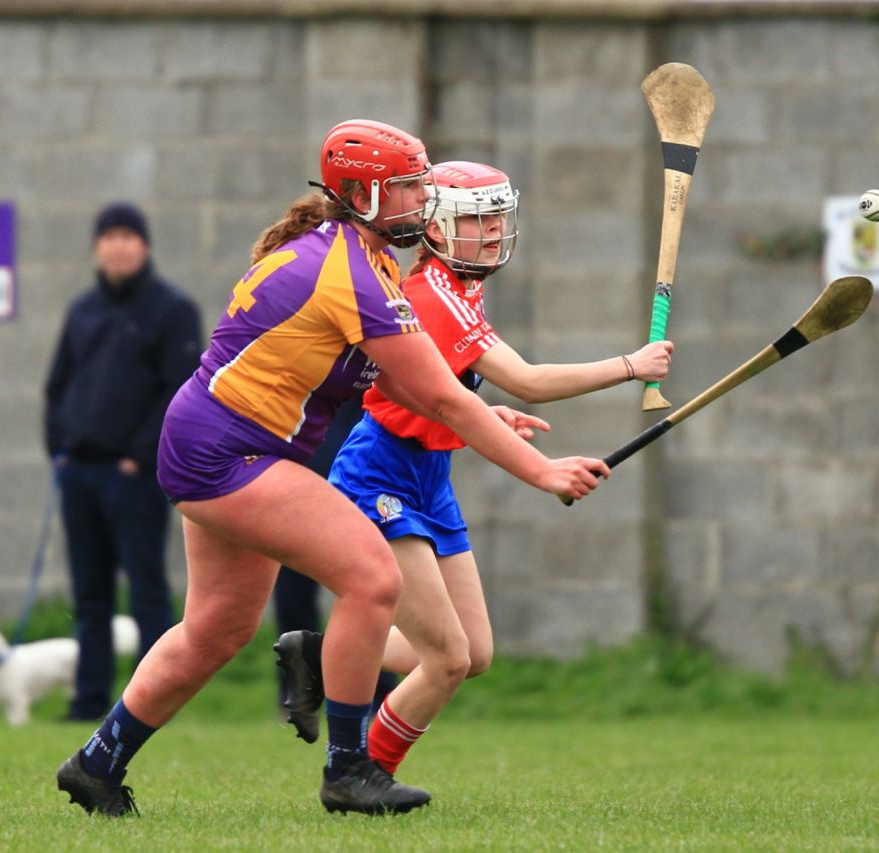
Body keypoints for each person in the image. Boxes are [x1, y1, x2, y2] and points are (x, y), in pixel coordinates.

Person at [54, 121, 609, 818]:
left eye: (420, 184)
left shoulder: (356, 256)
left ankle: (97, 764)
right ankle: (349, 769)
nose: (421, 201)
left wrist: (487, 418)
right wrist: (542, 471)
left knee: (217, 629)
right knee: (371, 578)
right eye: (406, 188)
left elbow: (413, 384)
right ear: (362, 194)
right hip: (230, 451)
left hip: (210, 440)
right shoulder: (354, 274)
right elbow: (438, 393)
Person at [274, 160, 672, 784]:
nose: (492, 231)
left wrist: (486, 415)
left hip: (430, 474)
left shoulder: (463, 288)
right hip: (381, 472)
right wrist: (630, 364)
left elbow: (440, 391)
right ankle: (361, 774)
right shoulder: (433, 292)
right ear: (434, 227)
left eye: (498, 218)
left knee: (473, 654)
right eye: (476, 220)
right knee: (447, 658)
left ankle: (322, 661)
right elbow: (530, 382)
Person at [43, 202, 202, 722]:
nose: (117, 245)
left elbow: (180, 392)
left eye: (127, 236)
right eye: (108, 236)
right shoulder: (82, 310)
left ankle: (148, 702)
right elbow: (58, 386)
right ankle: (89, 700)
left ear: (145, 245)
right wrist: (60, 450)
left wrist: (139, 456)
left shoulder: (171, 309)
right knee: (89, 595)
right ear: (97, 247)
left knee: (146, 589)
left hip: (133, 476)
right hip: (80, 473)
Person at [271, 392, 398, 737]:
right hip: (314, 468)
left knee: (377, 583)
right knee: (298, 584)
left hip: (366, 468)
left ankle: (370, 688)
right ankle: (301, 681)